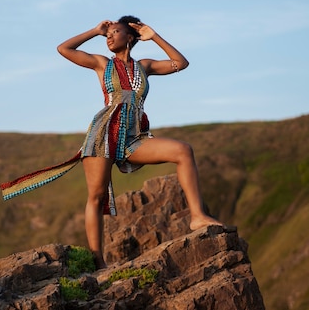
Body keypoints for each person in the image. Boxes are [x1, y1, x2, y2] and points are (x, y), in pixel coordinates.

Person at [57, 15, 223, 269]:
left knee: (183, 150)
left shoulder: (144, 66)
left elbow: (181, 63)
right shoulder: (102, 64)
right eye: (108, 33)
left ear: (131, 37)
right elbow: (64, 49)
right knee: (97, 196)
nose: (109, 37)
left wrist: (153, 35)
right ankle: (98, 261)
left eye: (115, 32)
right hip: (103, 135)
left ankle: (198, 216)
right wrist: (95, 30)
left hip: (133, 138)